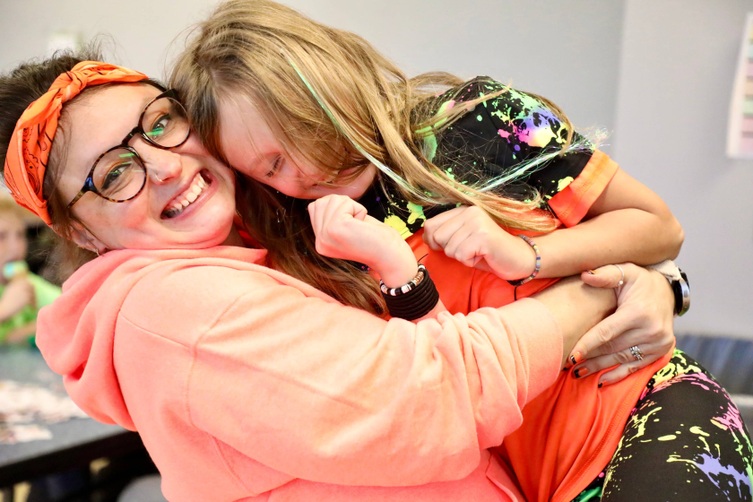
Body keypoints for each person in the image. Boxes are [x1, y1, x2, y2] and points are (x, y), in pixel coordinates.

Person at [0, 53, 685, 502]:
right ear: (80, 232)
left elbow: (643, 226)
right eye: (113, 173)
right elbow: (437, 394)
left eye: (160, 123)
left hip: (611, 434)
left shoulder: (271, 234)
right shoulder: (181, 305)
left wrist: (654, 281)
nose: (163, 164)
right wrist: (604, 290)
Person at [168, 1, 753, 500]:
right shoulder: (301, 249)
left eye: (310, 126)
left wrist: (530, 256)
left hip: (651, 417)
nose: (310, 165)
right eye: (274, 166)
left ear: (336, 78)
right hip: (527, 479)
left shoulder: (475, 120)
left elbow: (658, 228)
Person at [0, 197, 60, 345]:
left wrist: (18, 335)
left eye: (20, 235)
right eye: (1, 236)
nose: (16, 247)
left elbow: (71, 312)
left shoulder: (29, 285)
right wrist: (4, 310)